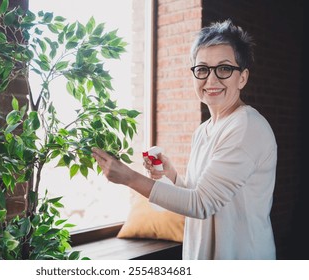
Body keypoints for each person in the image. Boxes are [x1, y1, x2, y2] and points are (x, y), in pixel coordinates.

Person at [92, 19, 277, 260]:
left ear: (242, 77)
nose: (211, 80)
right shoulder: (204, 130)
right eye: (202, 69)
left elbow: (201, 204)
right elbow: (198, 194)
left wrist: (129, 178)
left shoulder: (246, 126)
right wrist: (173, 176)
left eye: (224, 69)